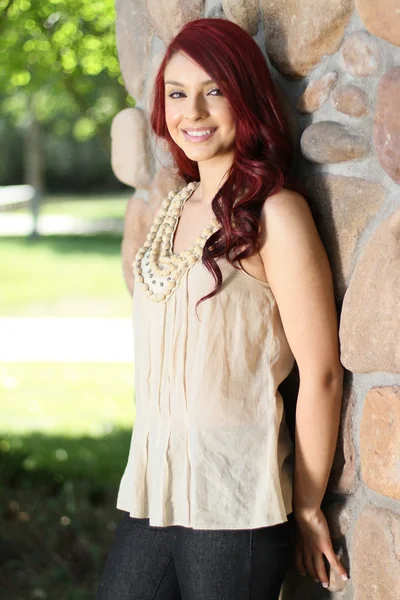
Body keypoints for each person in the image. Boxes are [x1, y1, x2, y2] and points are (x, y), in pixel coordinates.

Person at [97, 17, 349, 600]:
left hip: (234, 508)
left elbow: (323, 374)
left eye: (215, 92)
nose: (194, 113)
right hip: (153, 494)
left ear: (247, 100)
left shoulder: (275, 214)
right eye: (177, 94)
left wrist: (308, 504)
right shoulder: (176, 205)